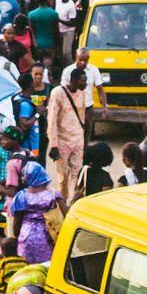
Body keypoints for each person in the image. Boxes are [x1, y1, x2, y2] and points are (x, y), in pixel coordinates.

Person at [47, 68, 88, 202]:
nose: (86, 84)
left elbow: (82, 117)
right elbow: (52, 120)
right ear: (74, 81)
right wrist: (53, 145)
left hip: (77, 140)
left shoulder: (82, 93)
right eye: (83, 81)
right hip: (62, 141)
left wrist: (84, 141)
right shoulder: (58, 93)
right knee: (63, 176)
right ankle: (62, 202)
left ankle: (72, 202)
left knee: (77, 174)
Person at [9, 161, 62, 265]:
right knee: (45, 267)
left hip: (26, 236)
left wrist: (16, 237)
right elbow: (66, 212)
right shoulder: (52, 193)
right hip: (48, 235)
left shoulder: (22, 196)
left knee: (25, 267)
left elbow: (17, 221)